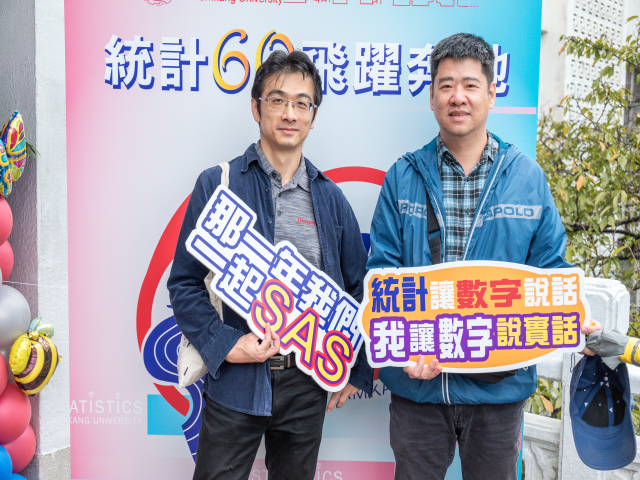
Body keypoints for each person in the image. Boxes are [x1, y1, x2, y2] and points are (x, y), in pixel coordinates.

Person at [366, 33, 600, 480]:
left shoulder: (527, 177)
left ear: (491, 94)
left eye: (470, 85)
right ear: (432, 97)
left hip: (499, 390)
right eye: (446, 85)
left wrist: (575, 314)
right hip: (420, 389)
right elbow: (383, 273)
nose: (458, 97)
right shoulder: (402, 176)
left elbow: (550, 270)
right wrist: (403, 350)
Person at [168, 50, 373, 480]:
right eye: (277, 100)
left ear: (313, 117)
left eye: (302, 103)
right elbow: (184, 283)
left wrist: (358, 367)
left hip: (307, 385)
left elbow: (359, 290)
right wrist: (226, 344)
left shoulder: (331, 199)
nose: (289, 113)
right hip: (237, 379)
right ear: (256, 107)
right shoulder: (218, 184)